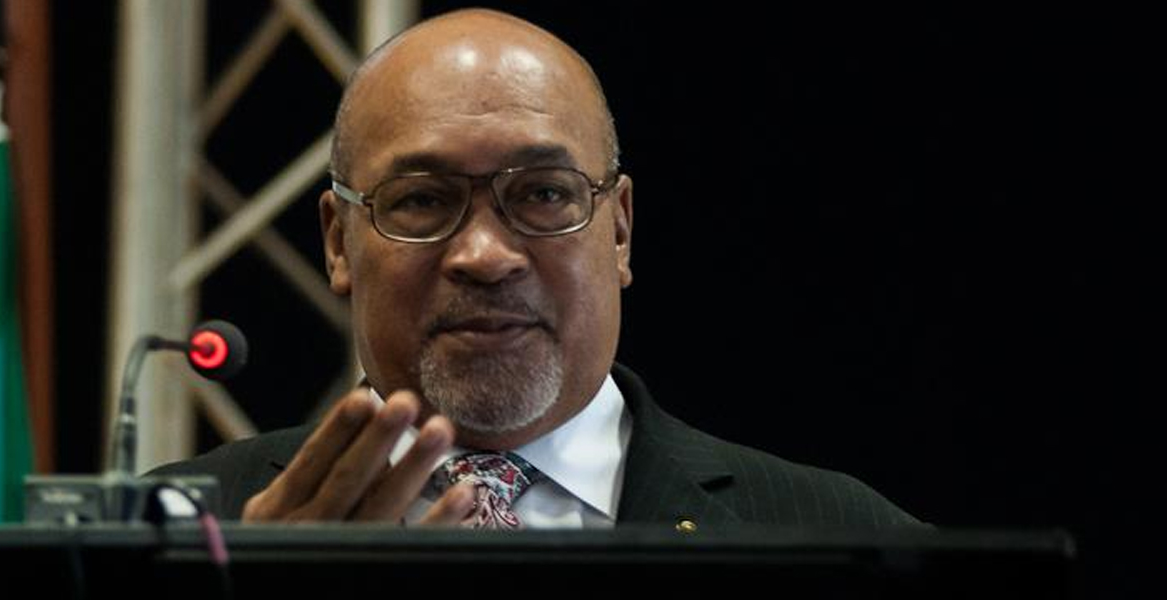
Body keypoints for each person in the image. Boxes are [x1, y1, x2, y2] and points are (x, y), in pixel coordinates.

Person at [151, 8, 922, 530]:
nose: (485, 256)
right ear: (339, 243)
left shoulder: (844, 537)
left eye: (545, 194)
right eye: (422, 201)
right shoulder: (173, 537)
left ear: (619, 231)